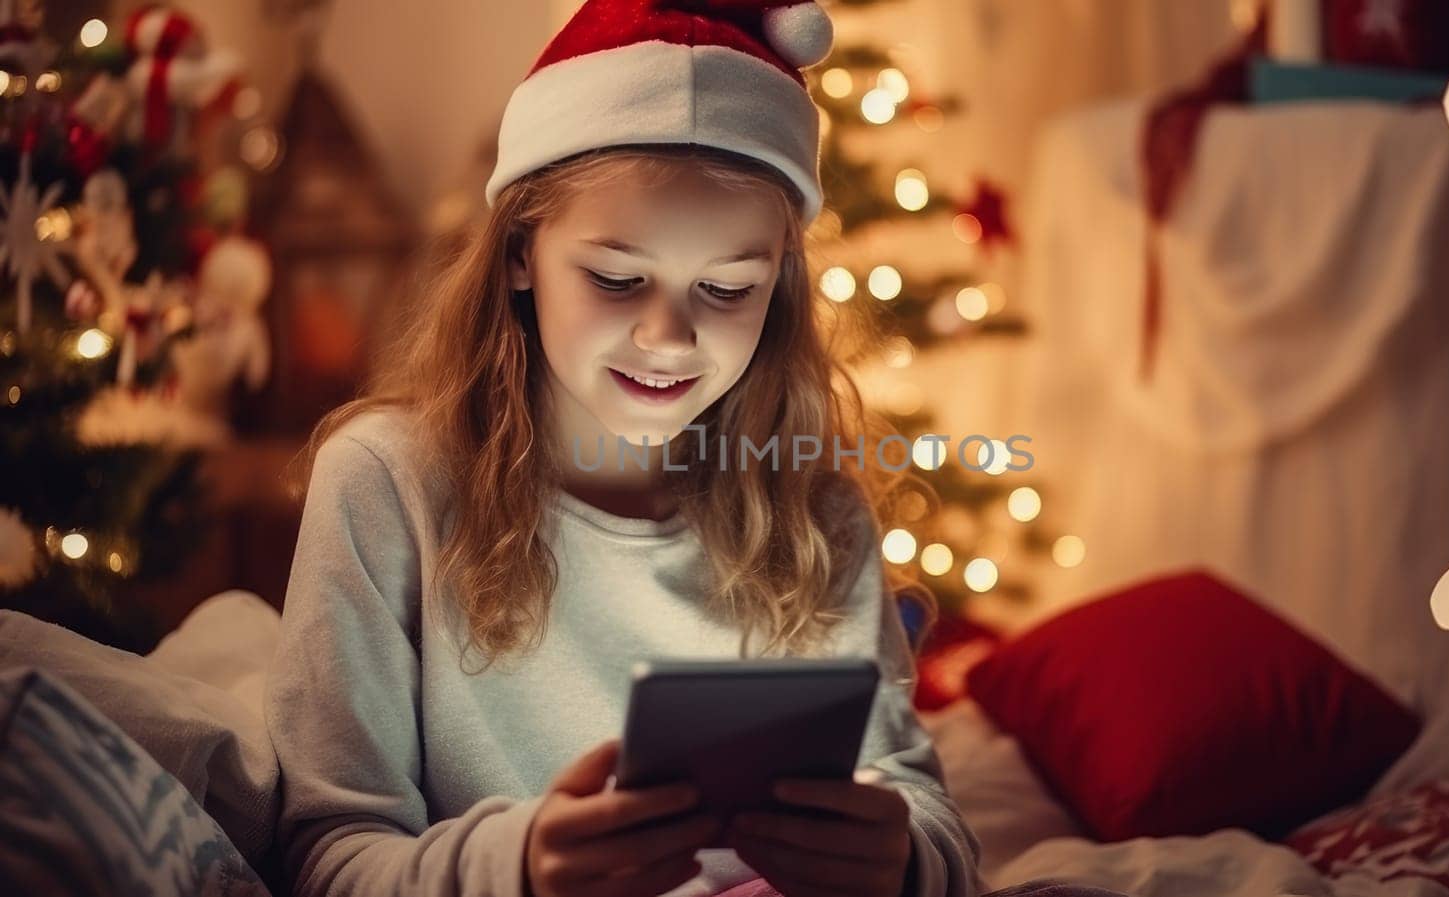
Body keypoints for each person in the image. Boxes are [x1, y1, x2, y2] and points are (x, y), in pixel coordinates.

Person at [264, 2, 983, 896]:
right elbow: (330, 853)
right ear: (521, 251)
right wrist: (518, 869)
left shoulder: (814, 507)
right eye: (615, 278)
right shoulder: (385, 482)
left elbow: (926, 814)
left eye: (727, 287)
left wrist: (902, 857)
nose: (670, 337)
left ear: (779, 286)